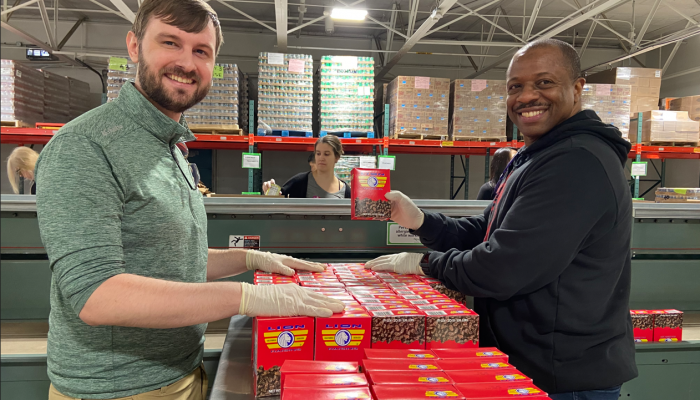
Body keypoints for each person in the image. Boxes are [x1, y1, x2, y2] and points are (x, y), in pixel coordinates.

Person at [35, 1, 343, 399]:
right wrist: (245, 297)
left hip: (182, 372)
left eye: (202, 51)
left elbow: (168, 260)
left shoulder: (171, 147)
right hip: (117, 390)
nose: (186, 62)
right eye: (170, 42)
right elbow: (97, 295)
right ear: (134, 46)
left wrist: (248, 259)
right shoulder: (85, 145)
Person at [365, 39, 637, 399]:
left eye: (543, 82)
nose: (526, 97)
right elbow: (490, 230)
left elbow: (505, 266)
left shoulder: (577, 161)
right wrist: (420, 221)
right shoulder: (539, 154)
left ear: (576, 88)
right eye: (515, 87)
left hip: (561, 376)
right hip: (530, 364)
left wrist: (427, 263)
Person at [262, 135, 351, 198]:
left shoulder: (346, 191)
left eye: (326, 154)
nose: (321, 158)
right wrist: (269, 188)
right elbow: (279, 198)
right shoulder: (300, 181)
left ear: (337, 158)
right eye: (318, 153)